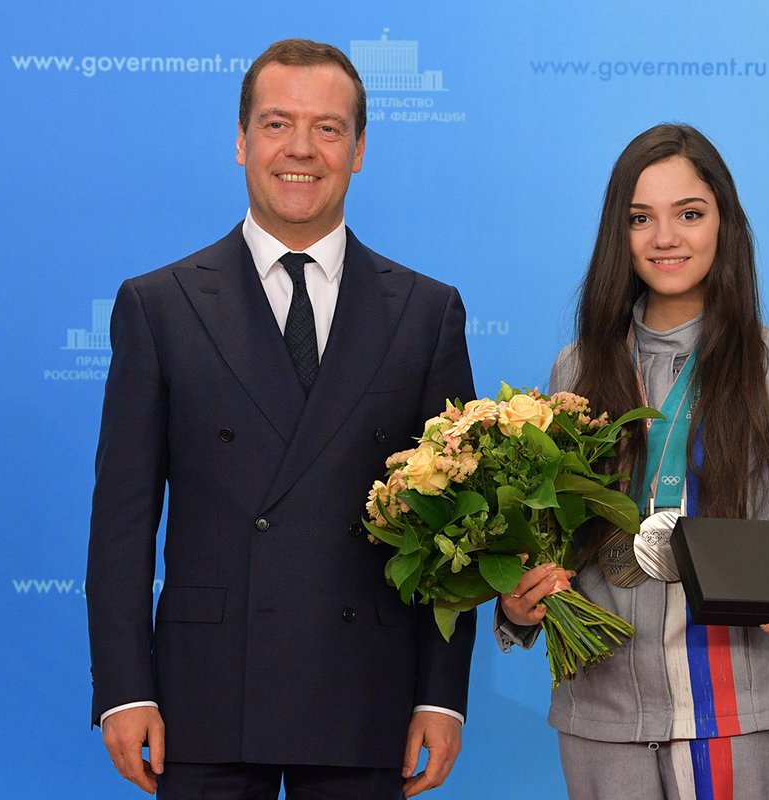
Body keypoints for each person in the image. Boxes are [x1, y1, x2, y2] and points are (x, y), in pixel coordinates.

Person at [86, 39, 476, 800]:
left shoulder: (426, 312)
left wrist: (440, 695)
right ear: (241, 141)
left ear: (358, 150)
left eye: (328, 128)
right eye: (276, 124)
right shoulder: (159, 306)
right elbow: (122, 521)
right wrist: (124, 689)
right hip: (207, 694)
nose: (301, 149)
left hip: (366, 692)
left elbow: (453, 528)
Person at [497, 124, 769, 799]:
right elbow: (550, 533)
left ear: (725, 223)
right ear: (618, 233)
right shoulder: (576, 368)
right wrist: (518, 604)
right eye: (641, 218)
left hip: (732, 707)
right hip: (600, 708)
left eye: (689, 214)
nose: (665, 237)